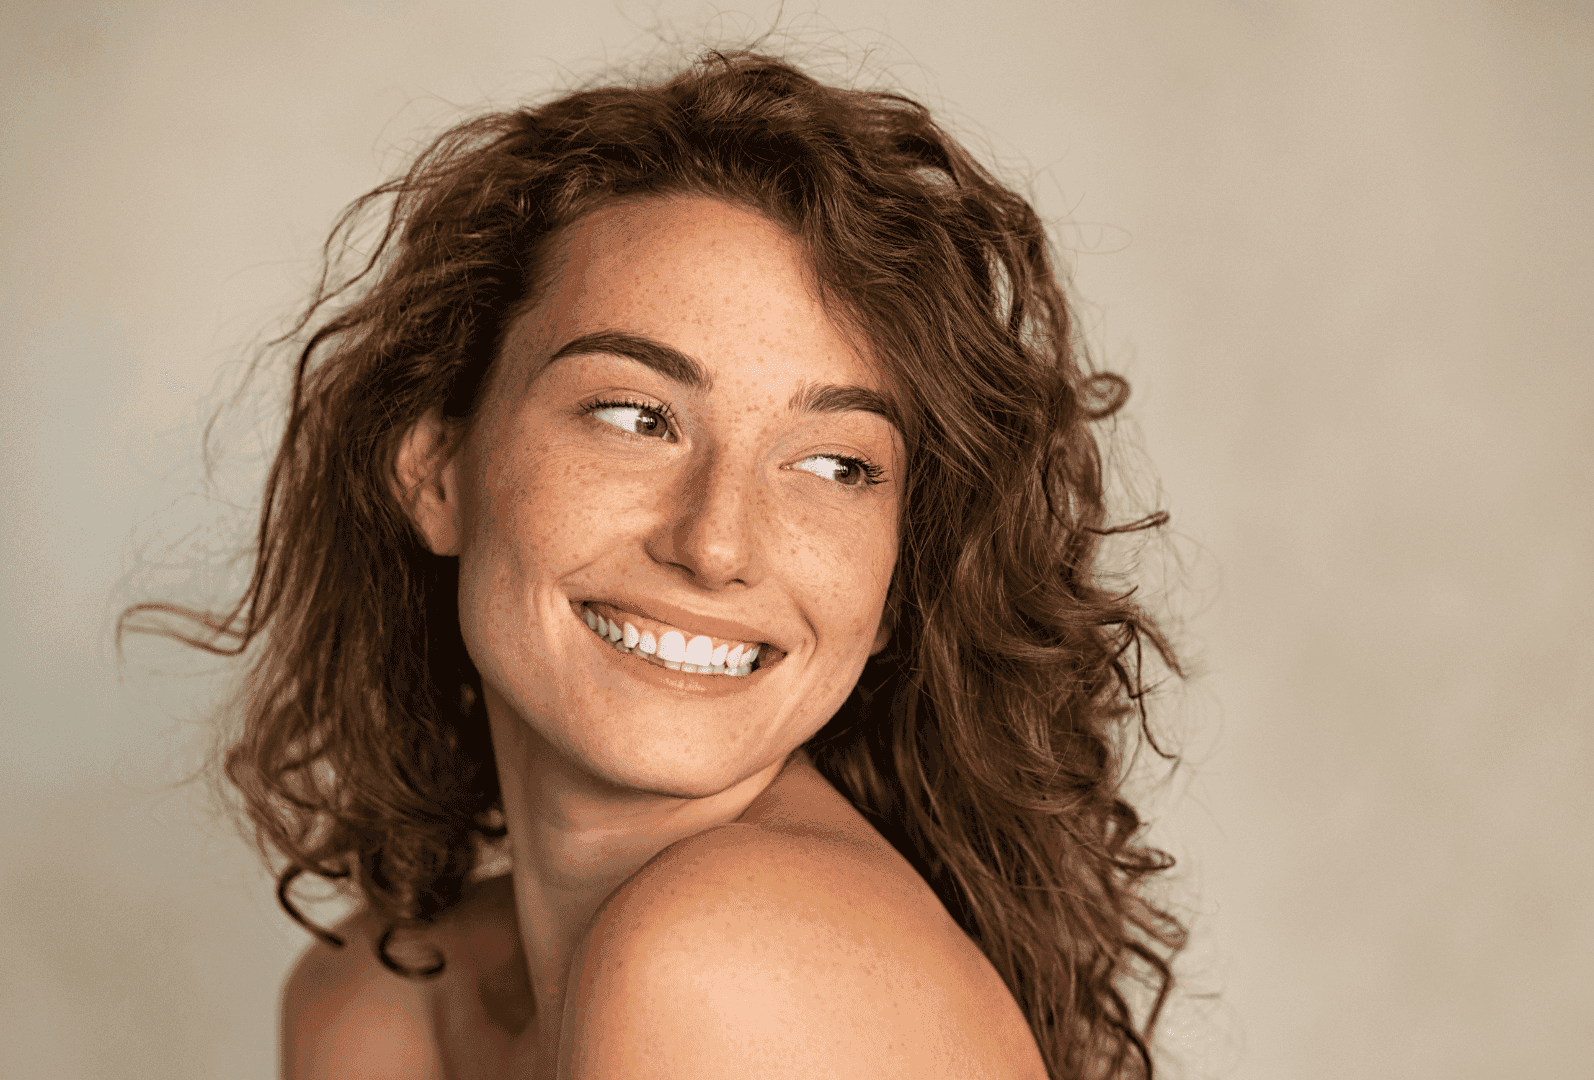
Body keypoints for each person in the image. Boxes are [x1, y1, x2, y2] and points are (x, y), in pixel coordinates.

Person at [132, 51, 1184, 1079]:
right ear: (438, 469)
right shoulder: (373, 995)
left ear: (899, 583)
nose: (715, 543)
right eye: (636, 416)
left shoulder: (724, 957)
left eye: (833, 463)